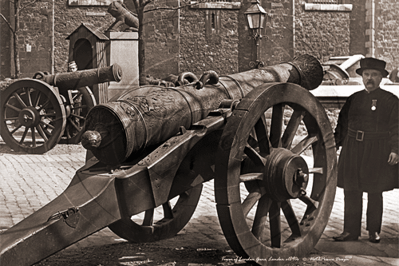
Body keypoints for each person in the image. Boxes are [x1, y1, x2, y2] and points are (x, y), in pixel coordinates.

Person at [333, 57, 398, 243]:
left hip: (377, 150)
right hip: (353, 148)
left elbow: (396, 127)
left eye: (374, 75)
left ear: (381, 78)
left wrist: (396, 149)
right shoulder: (354, 99)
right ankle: (350, 231)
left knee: (374, 191)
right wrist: (336, 143)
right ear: (362, 77)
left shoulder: (391, 101)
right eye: (367, 74)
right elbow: (342, 124)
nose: (370, 78)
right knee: (351, 190)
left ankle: (373, 231)